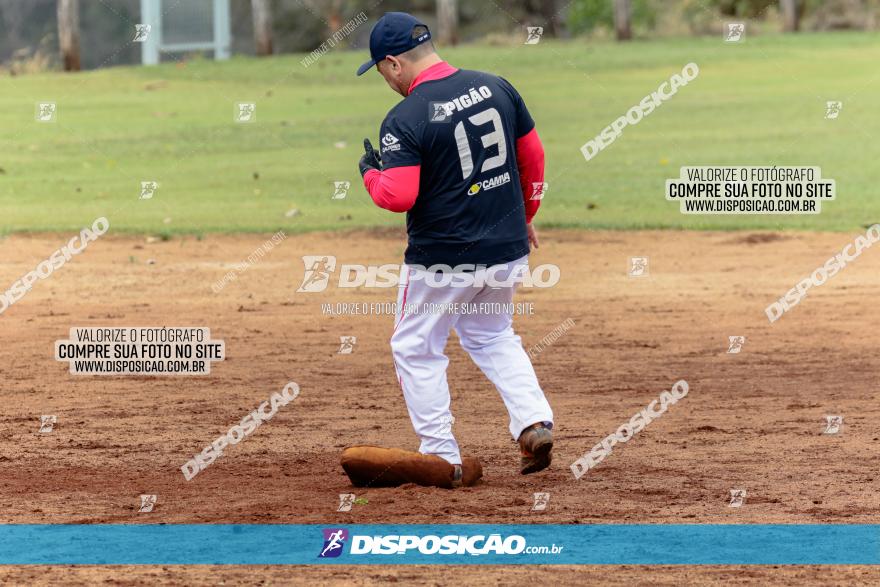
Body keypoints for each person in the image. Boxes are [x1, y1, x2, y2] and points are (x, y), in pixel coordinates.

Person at [356, 12, 554, 479]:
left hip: (441, 260)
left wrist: (368, 172)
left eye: (381, 71)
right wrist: (525, 217)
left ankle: (440, 454)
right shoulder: (496, 85)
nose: (385, 80)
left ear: (393, 63)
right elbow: (534, 156)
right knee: (492, 334)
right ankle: (532, 421)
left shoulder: (404, 116)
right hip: (506, 248)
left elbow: (397, 194)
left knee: (416, 347)